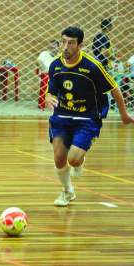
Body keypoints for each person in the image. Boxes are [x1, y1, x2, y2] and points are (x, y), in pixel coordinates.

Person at [45, 26, 134, 207]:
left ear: (80, 45)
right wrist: (48, 96)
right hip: (62, 116)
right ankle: (67, 192)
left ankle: (80, 160)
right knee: (59, 157)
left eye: (70, 43)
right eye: (63, 42)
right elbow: (51, 89)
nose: (65, 47)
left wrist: (124, 114)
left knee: (73, 159)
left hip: (87, 118)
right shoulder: (55, 64)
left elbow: (115, 89)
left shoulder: (92, 66)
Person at [36, 39, 59, 110]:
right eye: (51, 46)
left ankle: (56, 103)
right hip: (45, 74)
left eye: (55, 46)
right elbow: (38, 61)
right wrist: (45, 69)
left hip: (55, 74)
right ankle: (42, 104)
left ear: (58, 47)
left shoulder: (59, 56)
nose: (53, 47)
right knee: (46, 76)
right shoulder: (44, 53)